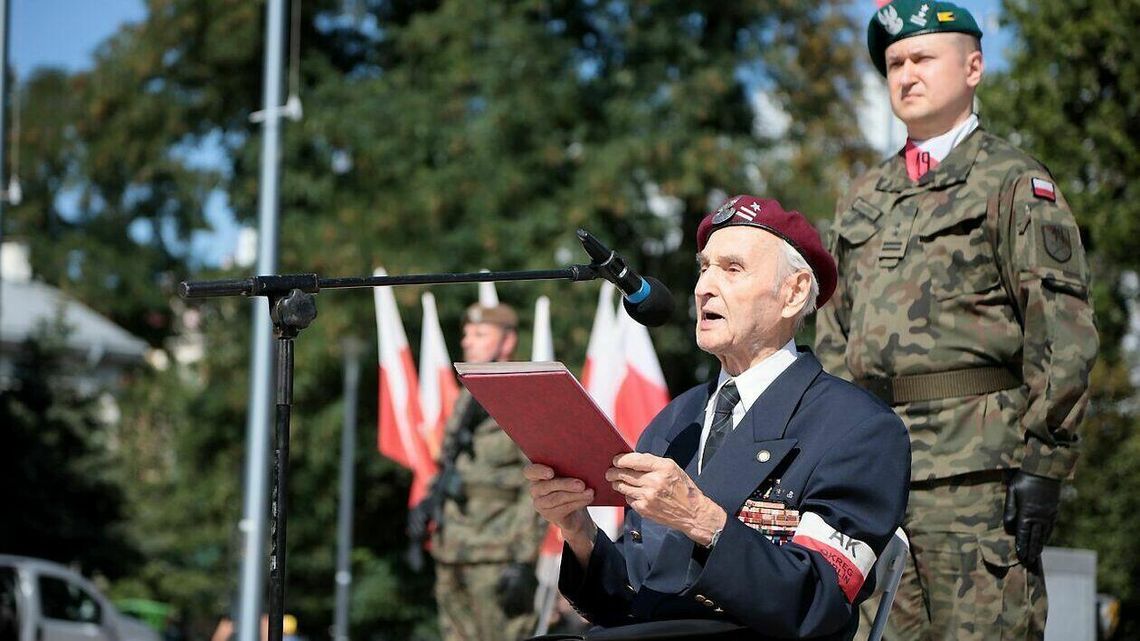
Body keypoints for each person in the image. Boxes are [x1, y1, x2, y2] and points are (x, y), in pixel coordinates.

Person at [814, 1, 1099, 638]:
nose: (906, 75)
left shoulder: (1013, 181)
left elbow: (1062, 331)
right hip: (875, 474)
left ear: (973, 68)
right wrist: (835, 454)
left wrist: (1045, 462)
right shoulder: (861, 197)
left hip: (977, 477)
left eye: (922, 58)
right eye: (894, 64)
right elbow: (833, 334)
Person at [525, 195, 911, 641]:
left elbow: (816, 602)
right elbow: (635, 600)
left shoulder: (857, 428)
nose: (704, 286)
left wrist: (703, 520)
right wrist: (579, 532)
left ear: (793, 293)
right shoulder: (676, 420)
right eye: (704, 267)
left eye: (732, 269)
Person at [409, 302, 547, 641]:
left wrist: (523, 559)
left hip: (498, 554)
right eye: (467, 334)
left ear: (507, 341)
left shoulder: (522, 398)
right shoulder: (465, 398)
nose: (467, 341)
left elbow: (541, 480)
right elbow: (451, 465)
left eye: (480, 334)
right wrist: (427, 504)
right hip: (453, 548)